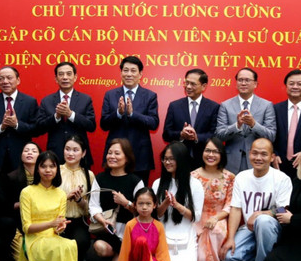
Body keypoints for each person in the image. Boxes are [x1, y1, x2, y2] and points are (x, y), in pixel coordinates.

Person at [0, 152, 98, 261]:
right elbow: (27, 228)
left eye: (52, 167)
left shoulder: (60, 194)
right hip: (34, 240)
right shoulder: (27, 192)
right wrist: (51, 223)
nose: (48, 170)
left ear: (57, 170)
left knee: (69, 244)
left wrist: (60, 227)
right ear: (37, 170)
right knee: (57, 247)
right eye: (43, 166)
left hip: (52, 237)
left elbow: (58, 227)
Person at [219, 137, 292, 261]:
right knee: (228, 258)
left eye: (264, 154)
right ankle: (270, 258)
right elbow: (236, 208)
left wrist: (261, 213)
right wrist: (231, 238)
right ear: (249, 153)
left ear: (272, 157)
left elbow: (284, 208)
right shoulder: (242, 177)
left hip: (272, 228)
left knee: (263, 221)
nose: (258, 158)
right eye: (255, 153)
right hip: (249, 229)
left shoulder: (281, 178)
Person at [88, 138, 144, 261]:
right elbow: (93, 205)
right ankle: (122, 255)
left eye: (117, 153)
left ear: (127, 158)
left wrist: (126, 203)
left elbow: (144, 211)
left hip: (128, 232)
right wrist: (102, 220)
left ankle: (123, 255)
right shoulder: (100, 178)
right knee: (99, 247)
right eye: (109, 153)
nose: (112, 156)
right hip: (108, 231)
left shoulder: (136, 181)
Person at [99, 55, 159, 185]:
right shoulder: (110, 95)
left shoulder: (150, 96)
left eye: (133, 70)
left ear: (140, 74)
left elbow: (154, 123)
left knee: (139, 198)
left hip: (140, 157)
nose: (129, 74)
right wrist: (118, 113)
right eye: (125, 70)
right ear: (121, 73)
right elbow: (103, 124)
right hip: (114, 156)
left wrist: (132, 114)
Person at [152, 142, 204, 261]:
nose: (167, 162)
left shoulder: (195, 184)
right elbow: (157, 215)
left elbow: (196, 217)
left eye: (171, 159)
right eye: (165, 159)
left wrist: (177, 206)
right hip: (164, 234)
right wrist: (166, 204)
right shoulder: (157, 183)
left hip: (186, 234)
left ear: (181, 159)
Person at [215, 67, 276, 174]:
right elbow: (219, 135)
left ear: (255, 84)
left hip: (257, 161)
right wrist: (237, 126)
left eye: (247, 80)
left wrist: (253, 125)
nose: (243, 83)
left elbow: (271, 136)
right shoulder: (225, 105)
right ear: (236, 83)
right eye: (240, 80)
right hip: (231, 162)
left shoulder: (266, 105)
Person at [36, 61, 97, 168]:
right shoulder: (47, 100)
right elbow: (39, 128)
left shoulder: (85, 99)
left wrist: (71, 114)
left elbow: (91, 126)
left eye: (69, 74)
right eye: (61, 74)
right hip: (55, 155)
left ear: (75, 77)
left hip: (79, 155)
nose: (65, 77)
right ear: (56, 78)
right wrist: (56, 117)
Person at [0, 66, 39, 174]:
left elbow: (36, 129)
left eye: (9, 78)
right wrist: (1, 127)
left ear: (18, 80)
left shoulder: (30, 102)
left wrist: (16, 124)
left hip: (21, 157)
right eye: (1, 78)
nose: (5, 81)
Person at [117, 188, 178, 261]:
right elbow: (125, 249)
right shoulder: (130, 225)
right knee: (141, 241)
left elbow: (162, 252)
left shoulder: (158, 226)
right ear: (135, 205)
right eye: (140, 204)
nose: (144, 207)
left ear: (154, 205)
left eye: (148, 204)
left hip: (150, 260)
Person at [192, 137, 235, 261]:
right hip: (197, 218)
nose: (211, 155)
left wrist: (216, 218)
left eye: (215, 152)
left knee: (215, 230)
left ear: (221, 154)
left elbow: (230, 205)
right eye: (208, 151)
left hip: (219, 218)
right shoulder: (192, 176)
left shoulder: (229, 177)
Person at [162, 68, 220, 169]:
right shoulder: (174, 106)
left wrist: (196, 137)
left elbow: (215, 134)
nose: (188, 87)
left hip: (204, 161)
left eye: (193, 84)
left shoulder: (213, 107)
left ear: (204, 86)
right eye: (186, 83)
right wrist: (181, 134)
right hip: (178, 161)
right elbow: (166, 134)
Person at [58, 135, 95, 261]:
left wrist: (80, 200)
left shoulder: (89, 175)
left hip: (79, 221)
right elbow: (48, 200)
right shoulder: (55, 171)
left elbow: (91, 207)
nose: (70, 153)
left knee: (82, 241)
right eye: (67, 149)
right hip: (57, 219)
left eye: (75, 150)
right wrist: (66, 197)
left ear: (83, 153)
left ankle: (78, 259)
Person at [5, 141, 41, 234]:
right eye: (26, 151)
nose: (29, 153)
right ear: (21, 155)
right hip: (19, 219)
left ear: (40, 156)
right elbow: (6, 206)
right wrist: (21, 204)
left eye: (34, 151)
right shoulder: (11, 177)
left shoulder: (45, 176)